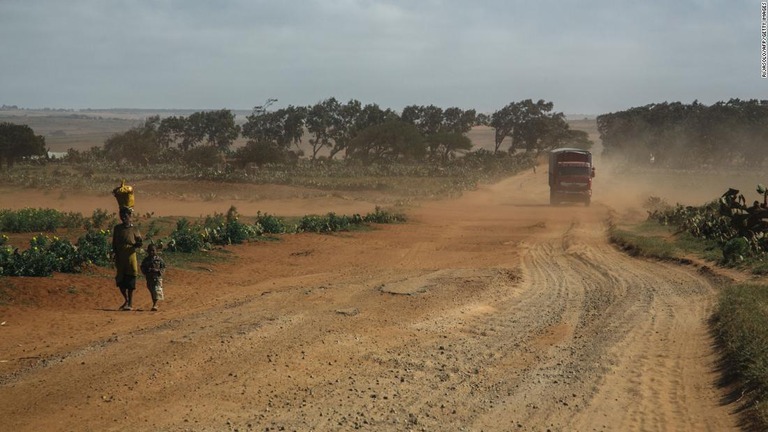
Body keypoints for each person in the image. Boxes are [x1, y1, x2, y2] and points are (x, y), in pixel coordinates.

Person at [112, 207, 143, 311]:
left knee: (130, 281)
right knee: (120, 281)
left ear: (130, 216)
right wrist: (114, 254)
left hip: (130, 258)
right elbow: (114, 243)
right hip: (120, 258)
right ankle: (126, 300)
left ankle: (130, 303)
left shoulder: (134, 229)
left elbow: (139, 242)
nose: (123, 217)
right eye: (122, 215)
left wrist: (138, 244)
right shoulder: (117, 228)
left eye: (125, 215)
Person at [140, 243, 166, 311]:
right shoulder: (146, 260)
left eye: (153, 250)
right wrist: (146, 271)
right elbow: (142, 267)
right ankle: (154, 302)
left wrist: (158, 271)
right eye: (150, 250)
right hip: (149, 278)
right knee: (152, 291)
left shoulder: (159, 259)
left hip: (157, 278)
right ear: (147, 251)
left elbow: (163, 267)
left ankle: (155, 304)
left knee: (156, 290)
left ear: (156, 251)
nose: (151, 252)